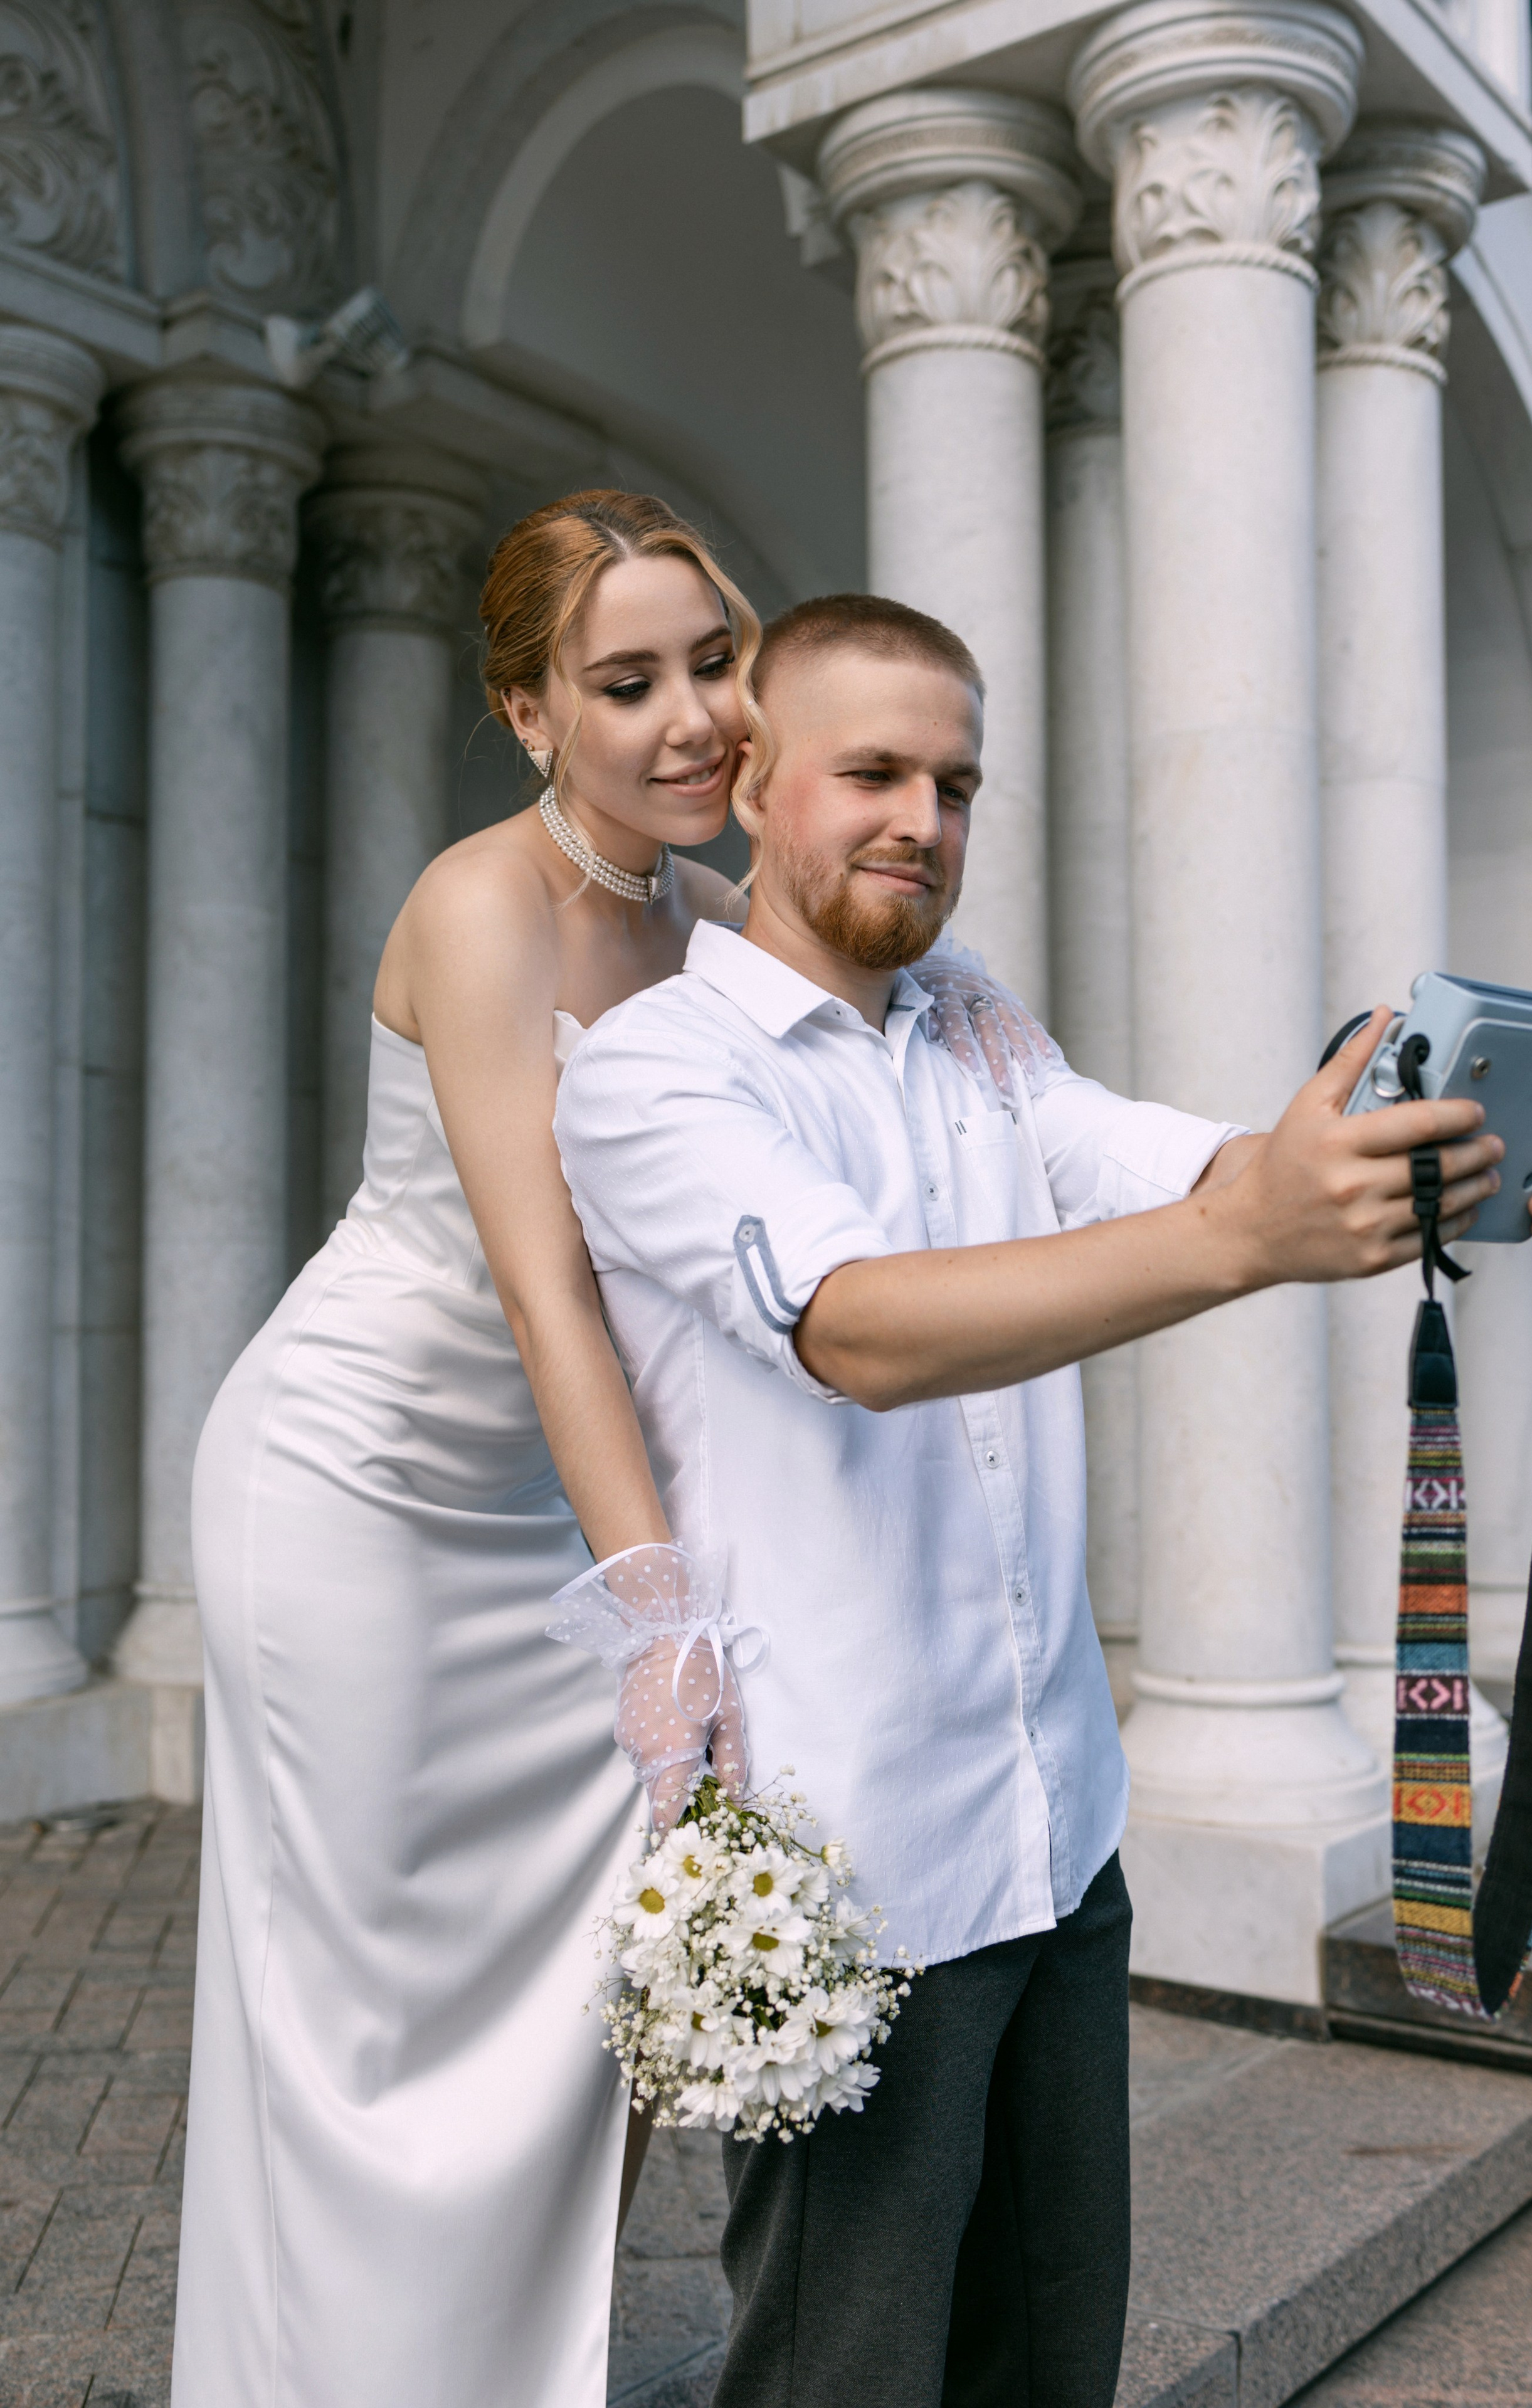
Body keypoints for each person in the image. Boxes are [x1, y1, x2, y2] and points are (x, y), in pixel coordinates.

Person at [552, 591, 1532, 2408]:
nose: (922, 821)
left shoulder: (973, 1022)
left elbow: (1157, 1160)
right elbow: (856, 1326)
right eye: (873, 774)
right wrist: (1246, 1233)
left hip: (1054, 1824)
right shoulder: (656, 1063)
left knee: (1050, 2359)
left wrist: (1424, 1173)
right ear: (754, 781)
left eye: (956, 785)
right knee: (841, 2373)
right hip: (849, 1862)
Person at [172, 492, 1033, 2408]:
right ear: (529, 712)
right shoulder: (479, 905)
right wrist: (662, 1609)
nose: (694, 717)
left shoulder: (709, 919)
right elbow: (548, 1284)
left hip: (559, 1505)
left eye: (716, 663)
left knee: (585, 2015)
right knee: (366, 2035)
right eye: (626, 681)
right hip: (361, 1497)